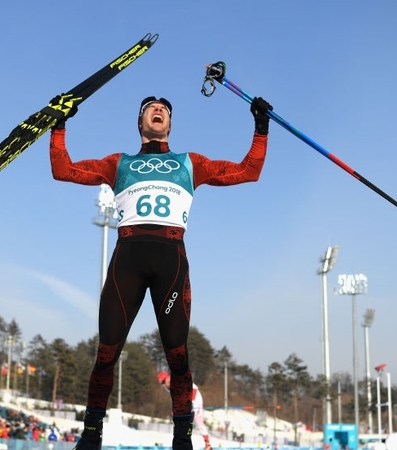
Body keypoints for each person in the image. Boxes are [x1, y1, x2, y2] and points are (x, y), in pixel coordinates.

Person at [49, 93, 272, 450]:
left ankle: (182, 438)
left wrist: (261, 127)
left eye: (165, 110)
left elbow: (249, 171)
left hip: (171, 260)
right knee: (106, 354)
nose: (159, 110)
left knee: (177, 356)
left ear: (169, 124)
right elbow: (63, 170)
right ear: (140, 123)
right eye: (151, 109)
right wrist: (58, 124)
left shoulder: (189, 163)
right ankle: (91, 435)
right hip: (128, 259)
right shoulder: (117, 163)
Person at [158, 371, 213, 450]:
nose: (163, 385)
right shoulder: (168, 387)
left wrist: (192, 402)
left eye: (163, 382)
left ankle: (207, 443)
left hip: (195, 398)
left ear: (168, 378)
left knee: (198, 421)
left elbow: (193, 388)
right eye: (161, 383)